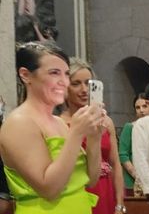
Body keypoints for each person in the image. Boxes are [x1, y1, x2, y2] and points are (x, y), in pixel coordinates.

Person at [0, 42, 103, 213]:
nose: (63, 82)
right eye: (54, 73)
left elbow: (91, 180)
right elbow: (49, 189)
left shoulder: (60, 122)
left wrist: (94, 137)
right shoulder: (18, 123)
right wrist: (76, 133)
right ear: (26, 75)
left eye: (66, 74)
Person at [60, 59, 125, 214]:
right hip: (77, 190)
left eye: (88, 83)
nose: (84, 90)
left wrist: (120, 204)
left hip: (105, 190)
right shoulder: (59, 123)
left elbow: (116, 164)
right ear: (65, 87)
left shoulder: (106, 122)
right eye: (76, 83)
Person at [119, 94, 149, 196]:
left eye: (145, 106)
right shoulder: (130, 127)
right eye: (138, 107)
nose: (141, 110)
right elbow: (123, 155)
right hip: (133, 182)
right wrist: (137, 176)